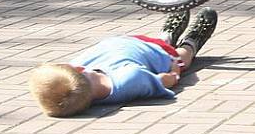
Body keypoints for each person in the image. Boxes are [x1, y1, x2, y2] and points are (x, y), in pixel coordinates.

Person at [29, 8, 217, 117]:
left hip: (129, 42)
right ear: (77, 69)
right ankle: (192, 42)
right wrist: (175, 70)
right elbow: (165, 80)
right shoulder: (129, 81)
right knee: (180, 56)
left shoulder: (77, 75)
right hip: (159, 55)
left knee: (161, 41)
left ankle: (168, 34)